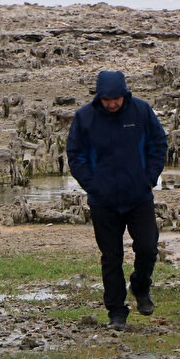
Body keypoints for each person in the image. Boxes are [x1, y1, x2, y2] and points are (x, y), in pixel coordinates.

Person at [66, 70, 168, 331]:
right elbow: (75, 154)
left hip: (138, 197)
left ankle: (141, 286)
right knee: (111, 257)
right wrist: (92, 184)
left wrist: (149, 178)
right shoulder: (84, 117)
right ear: (98, 97)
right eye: (106, 99)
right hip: (103, 201)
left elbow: (158, 144)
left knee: (147, 247)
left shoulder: (142, 111)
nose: (112, 104)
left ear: (125, 94)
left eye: (116, 99)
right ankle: (116, 312)